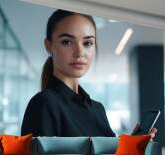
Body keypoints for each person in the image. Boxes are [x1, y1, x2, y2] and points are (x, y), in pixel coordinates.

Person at [21, 9, 156, 138]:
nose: (80, 52)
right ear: (48, 45)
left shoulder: (98, 109)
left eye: (87, 43)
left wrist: (132, 147)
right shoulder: (43, 104)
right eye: (67, 42)